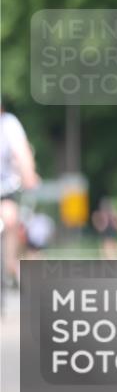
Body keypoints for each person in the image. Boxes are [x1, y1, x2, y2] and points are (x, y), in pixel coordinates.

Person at [0, 102, 40, 286]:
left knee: (9, 218)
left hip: (5, 190)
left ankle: (9, 263)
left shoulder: (9, 124)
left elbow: (22, 153)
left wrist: (29, 176)